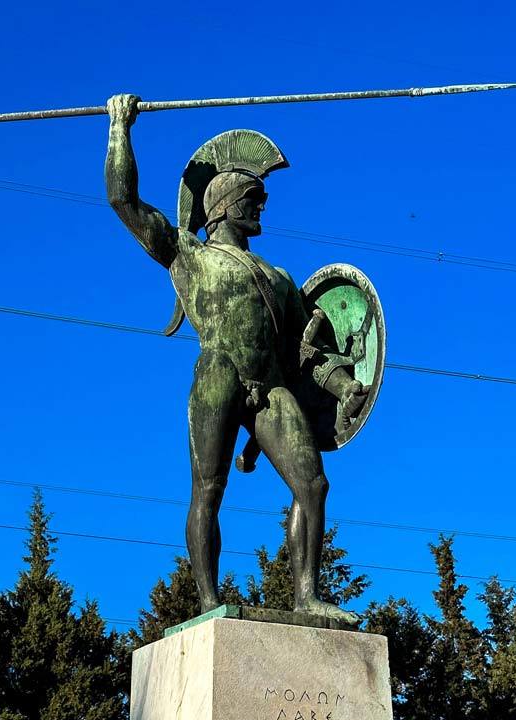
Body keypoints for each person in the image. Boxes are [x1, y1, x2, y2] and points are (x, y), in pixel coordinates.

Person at [105, 93, 366, 622]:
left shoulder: (281, 279)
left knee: (312, 484)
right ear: (224, 205)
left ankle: (307, 595)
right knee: (208, 487)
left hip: (271, 388)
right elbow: (124, 202)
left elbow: (305, 354)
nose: (262, 203)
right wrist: (119, 128)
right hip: (218, 373)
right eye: (254, 194)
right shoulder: (189, 253)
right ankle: (207, 600)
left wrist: (343, 386)